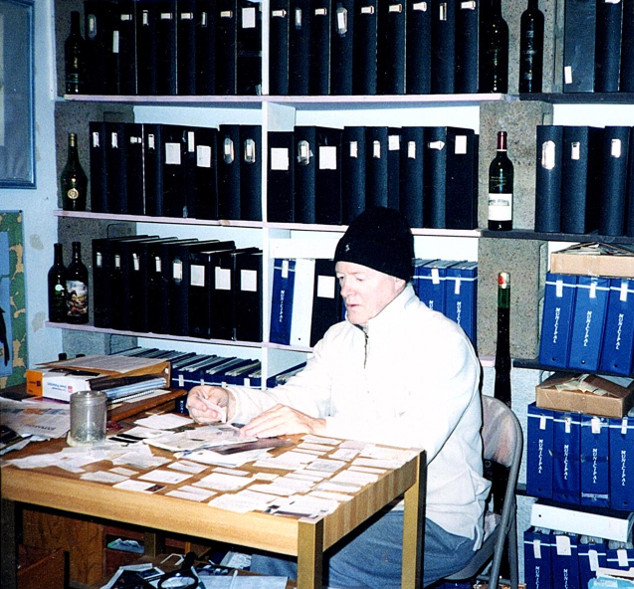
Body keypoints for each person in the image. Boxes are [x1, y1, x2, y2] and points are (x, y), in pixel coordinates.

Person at [186, 207, 490, 588]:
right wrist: (231, 402)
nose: (345, 289)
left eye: (359, 277)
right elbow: (300, 397)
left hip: (434, 519)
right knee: (265, 539)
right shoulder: (340, 336)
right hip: (348, 500)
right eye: (342, 277)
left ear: (396, 278)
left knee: (305, 557)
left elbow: (416, 442)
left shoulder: (444, 343)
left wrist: (318, 427)